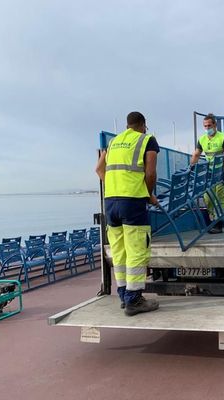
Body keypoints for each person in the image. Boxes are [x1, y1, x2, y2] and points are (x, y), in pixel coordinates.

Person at [95, 111, 160, 316]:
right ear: (143, 125)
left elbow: (98, 169)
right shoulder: (146, 140)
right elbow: (150, 172)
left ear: (127, 125)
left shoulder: (113, 142)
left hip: (111, 202)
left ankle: (124, 296)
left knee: (119, 251)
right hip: (132, 202)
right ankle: (134, 301)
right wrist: (148, 195)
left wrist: (116, 186)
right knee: (136, 250)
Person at [190, 114, 224, 234]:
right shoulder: (202, 139)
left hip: (223, 171)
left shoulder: (223, 138)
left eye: (209, 125)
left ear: (215, 125)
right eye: (205, 126)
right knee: (208, 197)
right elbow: (196, 154)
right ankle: (211, 220)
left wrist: (221, 170)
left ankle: (219, 224)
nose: (207, 128)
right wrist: (191, 167)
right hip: (210, 172)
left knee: (220, 196)